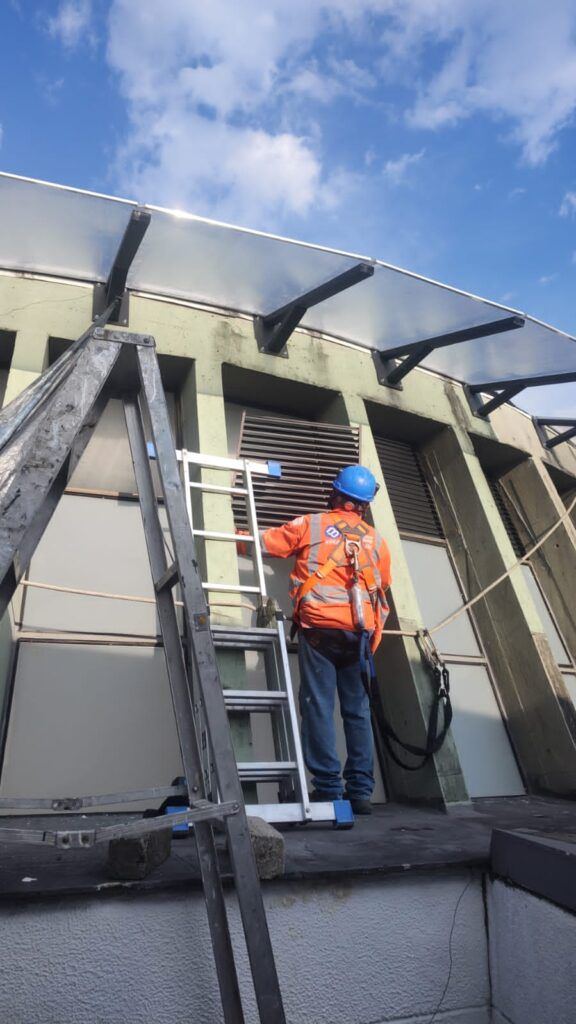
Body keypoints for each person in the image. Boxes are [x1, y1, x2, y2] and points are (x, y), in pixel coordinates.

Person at [259, 465, 391, 815]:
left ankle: (330, 790)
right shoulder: (377, 541)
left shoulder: (311, 524)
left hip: (319, 630)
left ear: (335, 494)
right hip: (360, 637)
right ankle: (360, 793)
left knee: (318, 706)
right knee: (358, 713)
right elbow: (382, 585)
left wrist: (232, 537)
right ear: (364, 505)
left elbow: (266, 544)